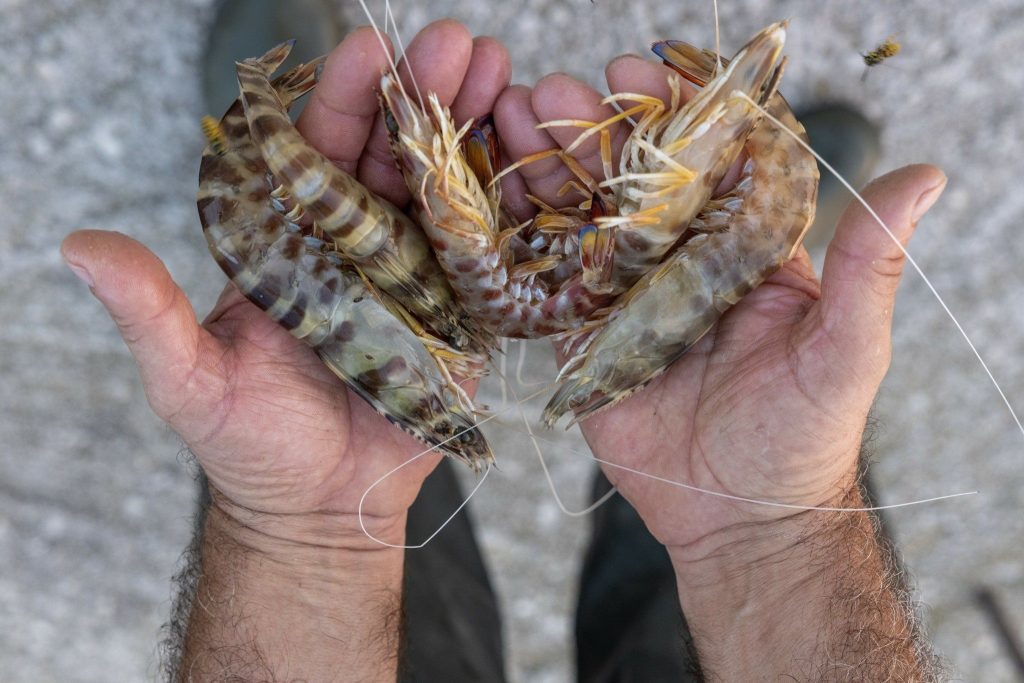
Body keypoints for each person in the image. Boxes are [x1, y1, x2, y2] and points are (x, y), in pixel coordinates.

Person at [60, 19, 946, 682]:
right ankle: (741, 248)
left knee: (377, 505)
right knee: (685, 542)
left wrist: (300, 537)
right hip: (536, 297)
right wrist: (771, 534)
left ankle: (273, 139)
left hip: (453, 307)